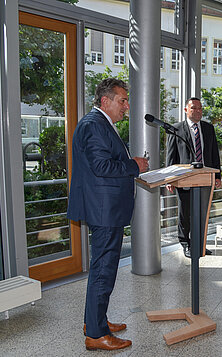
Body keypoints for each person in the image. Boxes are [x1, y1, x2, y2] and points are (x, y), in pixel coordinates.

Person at [68, 78, 149, 351]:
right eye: (122, 100)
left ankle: (95, 320)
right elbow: (102, 165)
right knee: (103, 271)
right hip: (104, 211)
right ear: (106, 101)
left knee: (103, 270)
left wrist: (129, 164)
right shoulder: (94, 125)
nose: (126, 106)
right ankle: (96, 334)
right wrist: (134, 165)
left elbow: (105, 162)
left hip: (107, 209)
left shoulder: (100, 123)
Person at [166, 97, 222, 258]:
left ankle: (200, 244)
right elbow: (171, 156)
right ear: (186, 110)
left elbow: (214, 154)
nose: (197, 111)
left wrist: (217, 175)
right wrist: (170, 179)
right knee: (185, 213)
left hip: (205, 178)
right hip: (184, 179)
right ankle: (186, 244)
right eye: (193, 108)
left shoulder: (208, 128)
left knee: (203, 213)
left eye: (199, 108)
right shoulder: (176, 129)